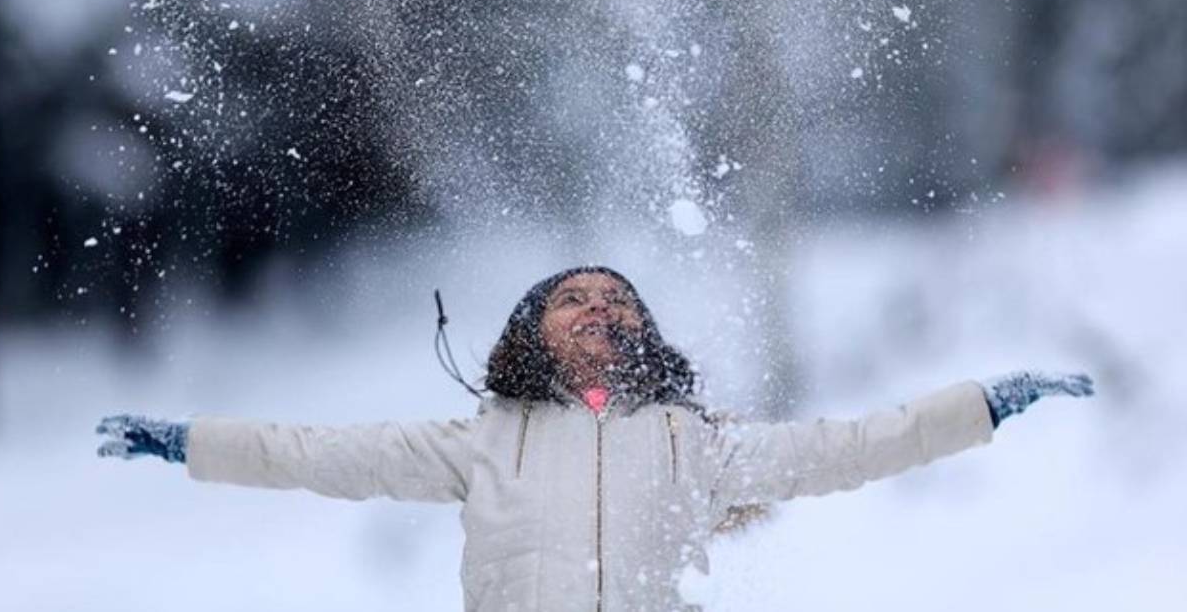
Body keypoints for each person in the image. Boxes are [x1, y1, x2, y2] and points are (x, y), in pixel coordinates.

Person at [96, 265, 1094, 611]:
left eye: (617, 300)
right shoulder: (480, 441)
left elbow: (854, 444)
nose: (596, 309)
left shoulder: (696, 445)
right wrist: (190, 442)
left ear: (644, 335)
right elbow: (315, 452)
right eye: (571, 298)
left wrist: (985, 405)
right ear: (531, 331)